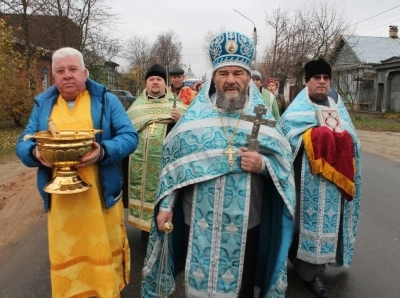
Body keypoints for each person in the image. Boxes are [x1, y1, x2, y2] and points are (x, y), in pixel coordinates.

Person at [141, 31, 295, 298]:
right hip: (198, 221)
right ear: (213, 77)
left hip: (247, 222)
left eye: (238, 73)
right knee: (197, 285)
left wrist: (261, 165)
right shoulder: (194, 119)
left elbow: (283, 163)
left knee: (242, 287)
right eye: (224, 73)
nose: (231, 80)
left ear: (249, 77)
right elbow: (174, 165)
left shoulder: (263, 120)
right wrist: (166, 207)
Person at [16, 47, 138, 297]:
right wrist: (35, 153)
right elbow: (24, 141)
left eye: (73, 69)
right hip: (62, 206)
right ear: (53, 75)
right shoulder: (43, 105)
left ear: (85, 72)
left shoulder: (106, 100)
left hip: (100, 201)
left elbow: (129, 137)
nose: (67, 75)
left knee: (103, 264)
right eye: (60, 71)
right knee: (69, 264)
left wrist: (103, 151)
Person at [277, 58, 362, 298]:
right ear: (307, 82)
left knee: (325, 226)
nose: (322, 82)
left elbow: (353, 139)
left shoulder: (337, 107)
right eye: (317, 78)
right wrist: (313, 136)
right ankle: (300, 268)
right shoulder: (296, 110)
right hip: (304, 181)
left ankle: (313, 271)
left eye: (326, 78)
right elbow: (284, 139)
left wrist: (342, 138)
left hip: (332, 184)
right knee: (300, 224)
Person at [124, 64, 187, 233]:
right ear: (146, 84)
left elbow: (189, 132)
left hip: (166, 165)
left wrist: (180, 120)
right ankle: (146, 235)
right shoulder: (135, 108)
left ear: (165, 84)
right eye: (151, 79)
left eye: (159, 79)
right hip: (142, 167)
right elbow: (124, 131)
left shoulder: (177, 106)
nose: (155, 82)